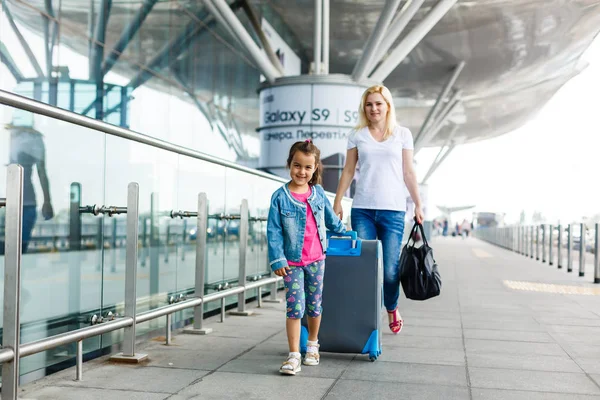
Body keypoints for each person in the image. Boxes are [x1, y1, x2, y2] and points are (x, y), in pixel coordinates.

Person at [333, 85, 424, 335]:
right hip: (363, 209)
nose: (374, 108)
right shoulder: (357, 135)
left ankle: (392, 306)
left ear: (387, 106)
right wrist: (338, 200)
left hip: (393, 211)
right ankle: (365, 313)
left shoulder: (402, 134)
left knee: (390, 269)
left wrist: (418, 203)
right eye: (369, 104)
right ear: (365, 108)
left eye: (378, 104)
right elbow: (349, 170)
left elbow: (408, 172)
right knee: (364, 265)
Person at [267, 140, 345, 375]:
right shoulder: (280, 197)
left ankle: (312, 344)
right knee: (294, 307)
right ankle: (294, 355)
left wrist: (345, 231)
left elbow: (330, 219)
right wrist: (277, 259)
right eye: (297, 165)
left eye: (307, 167)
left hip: (317, 259)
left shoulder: (318, 192)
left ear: (315, 169)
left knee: (314, 304)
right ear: (289, 165)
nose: (302, 172)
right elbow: (273, 230)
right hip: (292, 263)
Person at [1, 124, 53, 255]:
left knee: (18, 250)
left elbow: (42, 172)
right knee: (14, 250)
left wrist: (47, 201)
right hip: (13, 202)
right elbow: (42, 172)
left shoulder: (32, 139)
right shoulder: (12, 136)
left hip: (25, 203)